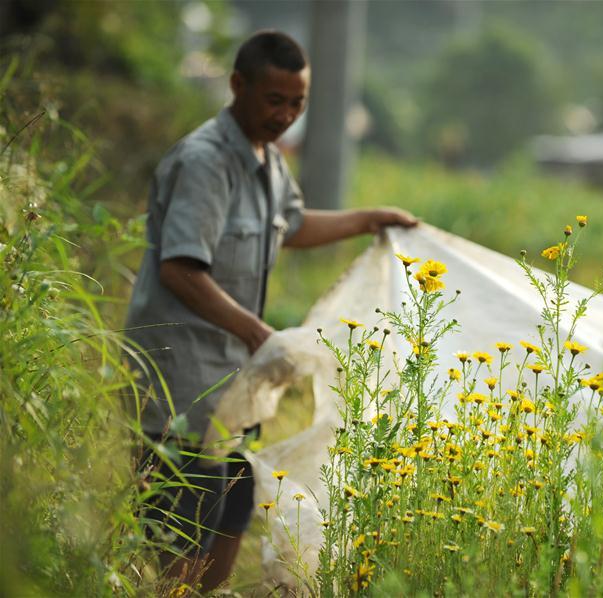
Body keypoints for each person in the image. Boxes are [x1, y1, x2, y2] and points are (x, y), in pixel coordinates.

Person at [124, 30, 416, 591]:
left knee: (229, 520)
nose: (285, 115)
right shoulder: (206, 162)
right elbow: (181, 269)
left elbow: (295, 226)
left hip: (237, 387)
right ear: (238, 86)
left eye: (297, 104)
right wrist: (261, 334)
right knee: (180, 538)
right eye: (274, 100)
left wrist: (370, 219)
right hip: (183, 384)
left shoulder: (269, 161)